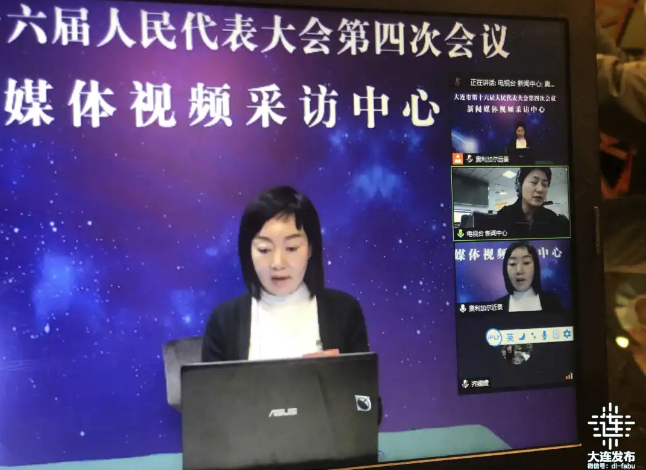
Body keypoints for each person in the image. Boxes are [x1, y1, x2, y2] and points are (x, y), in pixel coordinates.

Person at [201, 185, 382, 421]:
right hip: (251, 445)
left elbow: (369, 409)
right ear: (248, 251)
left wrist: (343, 393)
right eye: (264, 249)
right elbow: (209, 417)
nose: (278, 263)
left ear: (310, 249)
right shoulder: (224, 321)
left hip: (326, 443)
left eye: (292, 248)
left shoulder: (343, 311)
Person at [494, 167, 570, 239]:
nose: (540, 189)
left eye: (544, 184)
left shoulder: (555, 222)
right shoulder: (502, 218)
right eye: (534, 182)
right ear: (520, 185)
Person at [496, 241, 564, 313]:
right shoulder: (496, 308)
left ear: (535, 267)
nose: (519, 270)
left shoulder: (553, 302)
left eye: (526, 262)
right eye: (512, 264)